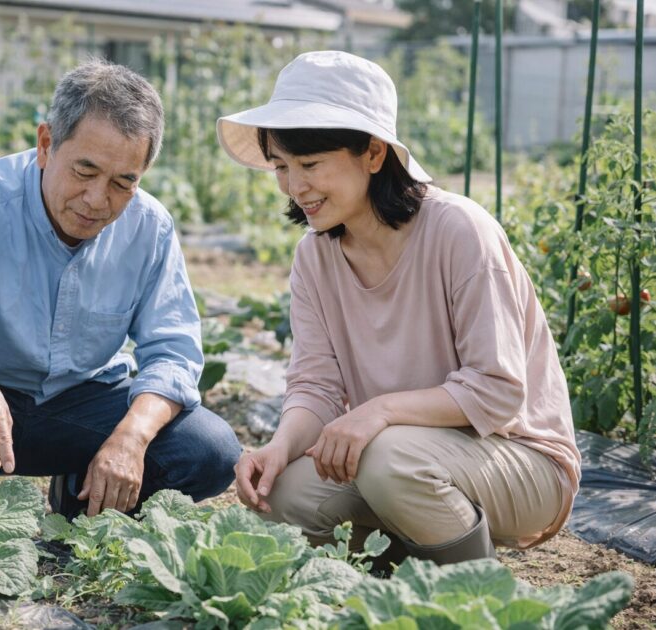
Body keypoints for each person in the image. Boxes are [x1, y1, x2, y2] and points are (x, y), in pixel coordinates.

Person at [218, 51, 580, 565]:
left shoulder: (459, 231)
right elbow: (316, 386)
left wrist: (378, 411)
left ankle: (474, 588)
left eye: (310, 164)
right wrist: (279, 448)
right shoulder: (315, 257)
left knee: (389, 461)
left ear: (372, 153)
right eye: (281, 167)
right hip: (398, 456)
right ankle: (410, 559)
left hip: (519, 457)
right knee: (281, 496)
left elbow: (497, 390)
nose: (295, 188)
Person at [0, 59, 240, 519]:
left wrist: (130, 438)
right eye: (85, 171)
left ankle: (82, 505)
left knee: (209, 449)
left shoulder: (150, 228)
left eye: (123, 182)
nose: (97, 199)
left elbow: (174, 353)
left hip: (83, 404)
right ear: (46, 144)